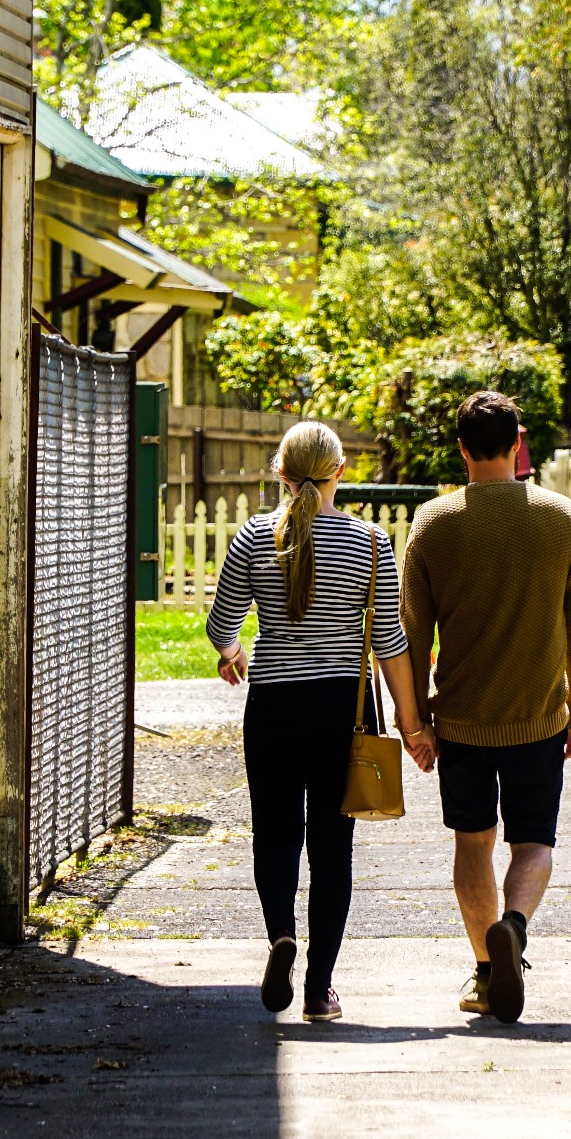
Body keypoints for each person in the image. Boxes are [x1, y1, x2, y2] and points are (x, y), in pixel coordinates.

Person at [207, 421, 431, 1022]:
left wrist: (235, 655)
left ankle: (281, 932)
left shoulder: (252, 538)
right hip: (341, 712)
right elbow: (389, 642)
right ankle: (318, 989)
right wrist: (413, 727)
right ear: (340, 472)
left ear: (280, 473)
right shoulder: (371, 542)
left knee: (275, 834)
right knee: (333, 846)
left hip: (274, 705)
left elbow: (220, 624)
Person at [400, 391, 571, 1024]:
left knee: (473, 843)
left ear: (460, 448)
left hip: (461, 720)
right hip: (539, 716)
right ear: (518, 444)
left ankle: (489, 971)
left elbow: (409, 634)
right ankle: (512, 926)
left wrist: (415, 724)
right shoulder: (559, 517)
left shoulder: (433, 525)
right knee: (534, 840)